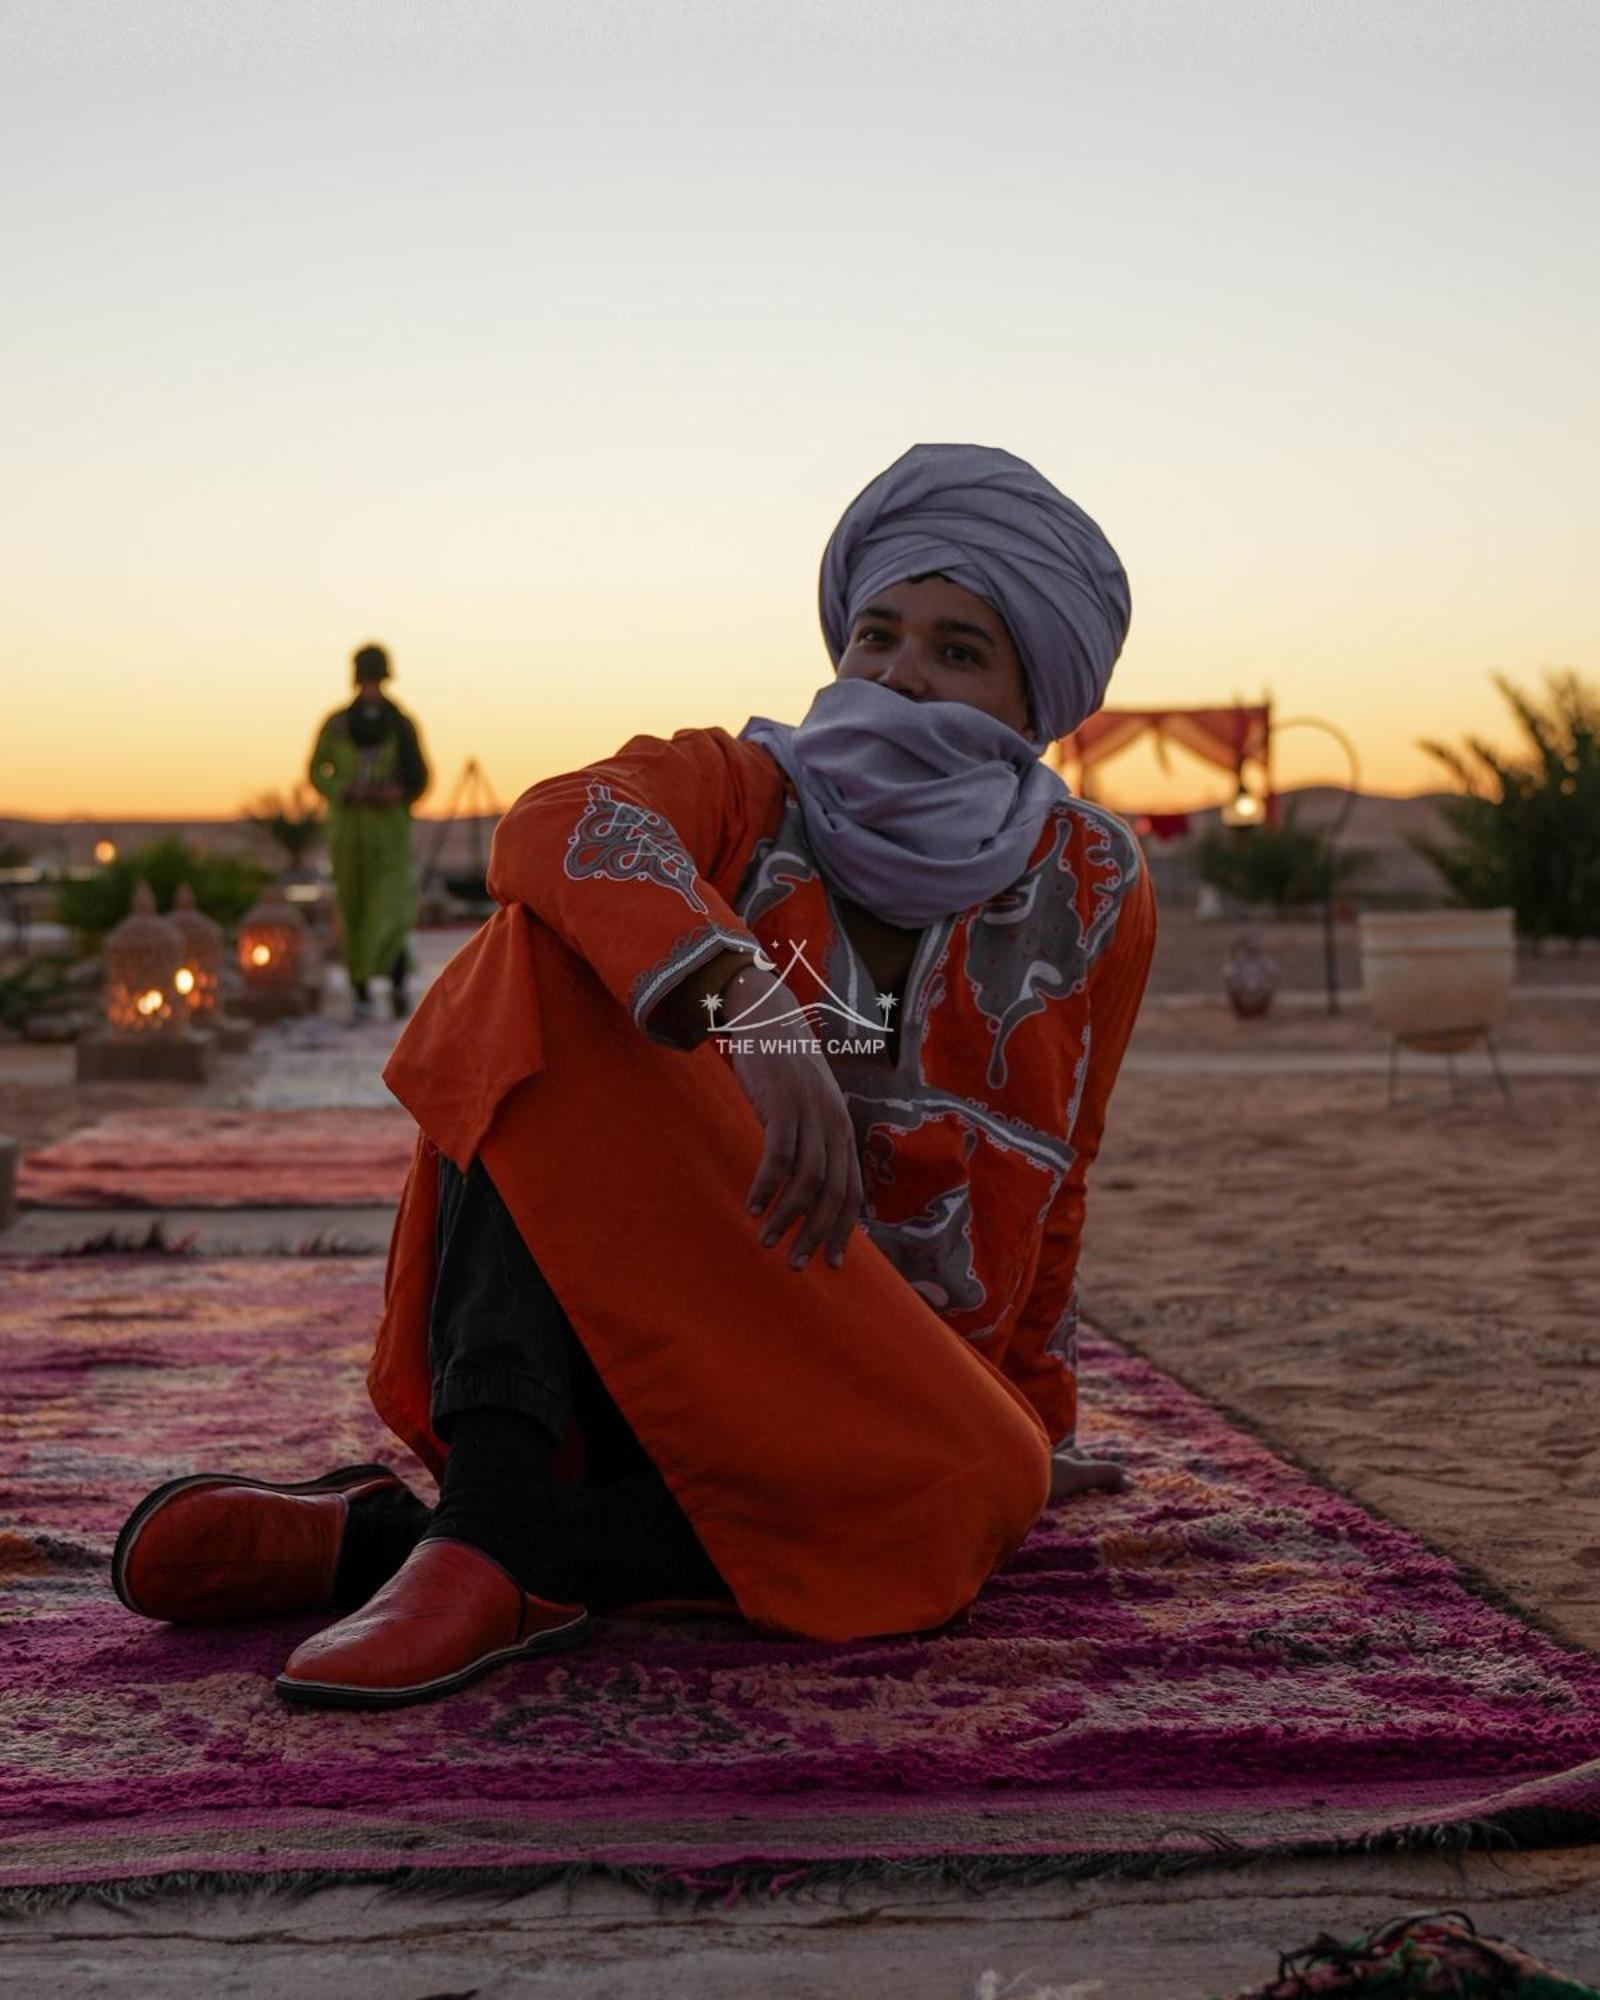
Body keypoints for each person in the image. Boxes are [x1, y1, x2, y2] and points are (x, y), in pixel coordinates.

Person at [112, 444, 1156, 1711]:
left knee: (980, 1490)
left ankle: (419, 1545)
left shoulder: (1096, 881)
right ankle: (495, 1515)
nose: (895, 674)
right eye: (875, 634)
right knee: (534, 954)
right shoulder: (743, 788)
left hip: (858, 1382)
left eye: (954, 651)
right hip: (621, 1339)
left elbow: (1067, 1159)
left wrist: (1034, 1414)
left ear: (1030, 695)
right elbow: (553, 821)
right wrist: (751, 1009)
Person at [308, 644, 431, 1020]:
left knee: (392, 908)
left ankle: (396, 983)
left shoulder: (401, 724)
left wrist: (397, 793)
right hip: (349, 832)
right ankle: (360, 987)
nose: (371, 687)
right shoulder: (337, 725)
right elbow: (316, 771)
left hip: (389, 832)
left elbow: (420, 777)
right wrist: (343, 790)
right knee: (355, 908)